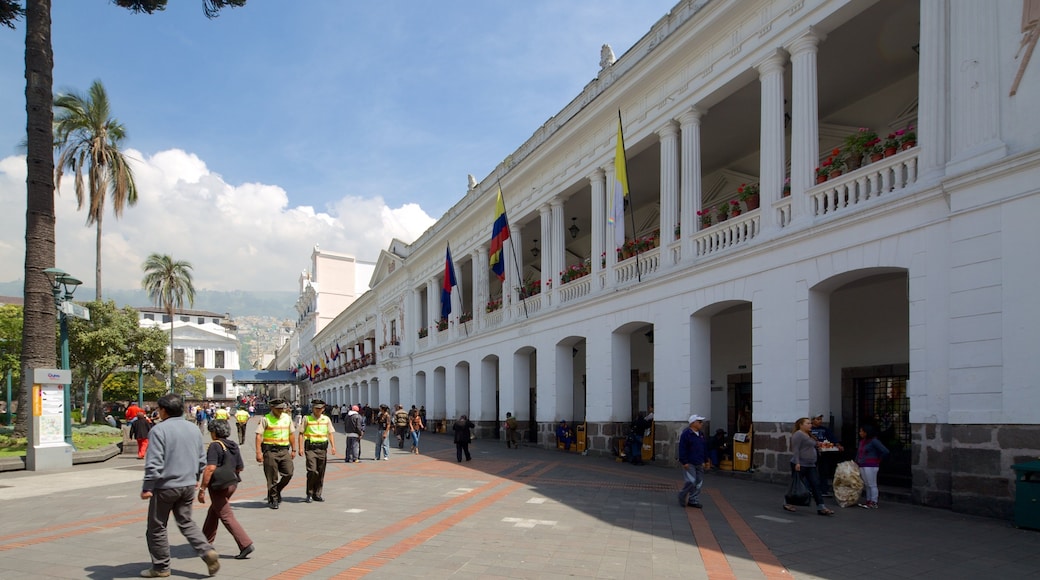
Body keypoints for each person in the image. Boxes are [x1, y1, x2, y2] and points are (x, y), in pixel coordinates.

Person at [139, 394, 220, 578]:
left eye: (159, 409)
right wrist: (196, 478)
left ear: (164, 410)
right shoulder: (194, 429)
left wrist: (147, 487)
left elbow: (154, 462)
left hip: (165, 486)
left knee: (157, 526)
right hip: (188, 484)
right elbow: (201, 459)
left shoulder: (159, 430)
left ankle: (161, 567)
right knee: (186, 522)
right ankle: (206, 550)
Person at [199, 419, 254, 560]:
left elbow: (210, 468)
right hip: (232, 483)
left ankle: (245, 544)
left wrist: (202, 488)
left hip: (218, 486)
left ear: (214, 432)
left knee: (225, 515)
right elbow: (240, 467)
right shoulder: (233, 444)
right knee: (214, 511)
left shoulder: (215, 446)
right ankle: (204, 542)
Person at [784, 417, 835, 516]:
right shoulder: (798, 434)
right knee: (797, 484)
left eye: (810, 423)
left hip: (810, 464)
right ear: (801, 425)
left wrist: (820, 445)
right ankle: (787, 502)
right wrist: (797, 462)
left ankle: (821, 507)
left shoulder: (809, 435)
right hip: (801, 464)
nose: (810, 425)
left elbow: (812, 445)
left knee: (815, 484)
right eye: (807, 423)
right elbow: (796, 449)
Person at [255, 399, 297, 509]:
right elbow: (259, 436)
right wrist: (258, 452)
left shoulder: (287, 418)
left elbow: (291, 434)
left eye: (282, 408)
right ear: (272, 408)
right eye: (278, 409)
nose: (281, 410)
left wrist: (294, 449)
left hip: (284, 451)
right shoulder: (265, 419)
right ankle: (273, 499)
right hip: (270, 451)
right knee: (271, 477)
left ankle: (277, 490)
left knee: (289, 473)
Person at [298, 399, 337, 502]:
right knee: (312, 471)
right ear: (313, 408)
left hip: (323, 448)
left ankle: (317, 494)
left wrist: (333, 447)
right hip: (310, 448)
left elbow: (330, 433)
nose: (318, 410)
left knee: (320, 472)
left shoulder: (326, 419)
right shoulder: (307, 418)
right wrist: (300, 448)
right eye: (316, 408)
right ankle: (309, 493)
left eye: (320, 408)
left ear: (323, 409)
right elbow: (301, 433)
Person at [856, 425, 890, 509]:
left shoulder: (874, 441)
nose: (860, 433)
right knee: (867, 484)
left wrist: (878, 459)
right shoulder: (862, 441)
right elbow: (858, 453)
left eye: (862, 431)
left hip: (871, 465)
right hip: (862, 464)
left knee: (872, 484)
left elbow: (885, 451)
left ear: (866, 432)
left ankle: (874, 502)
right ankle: (868, 501)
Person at [677, 414, 708, 508]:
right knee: (691, 481)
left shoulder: (701, 434)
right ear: (693, 423)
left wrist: (706, 460)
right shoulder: (686, 434)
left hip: (699, 461)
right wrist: (684, 461)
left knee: (698, 482)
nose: (701, 424)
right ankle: (682, 495)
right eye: (699, 422)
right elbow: (682, 448)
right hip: (689, 462)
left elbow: (704, 448)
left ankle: (693, 500)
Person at [810, 413, 844, 496]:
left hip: (824, 453)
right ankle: (810, 489)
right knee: (811, 471)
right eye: (817, 419)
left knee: (824, 471)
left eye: (820, 419)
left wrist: (837, 444)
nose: (820, 421)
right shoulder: (810, 429)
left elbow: (832, 438)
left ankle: (823, 490)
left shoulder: (825, 429)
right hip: (812, 453)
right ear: (812, 420)